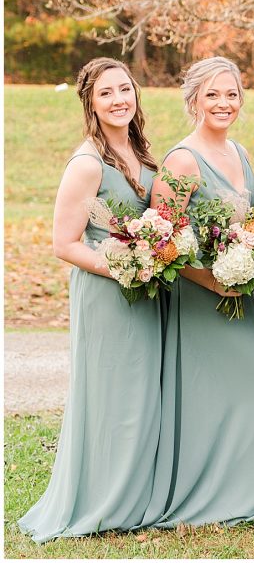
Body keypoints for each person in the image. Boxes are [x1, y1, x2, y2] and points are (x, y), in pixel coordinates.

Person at [18, 58, 162, 543]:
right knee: (111, 397)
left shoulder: (139, 152)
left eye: (125, 89)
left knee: (140, 397)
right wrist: (126, 268)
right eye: (107, 93)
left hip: (145, 291)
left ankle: (134, 495)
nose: (119, 99)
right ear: (91, 103)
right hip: (108, 292)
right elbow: (65, 244)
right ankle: (102, 501)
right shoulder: (87, 163)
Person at [142, 57, 254, 528]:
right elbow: (163, 240)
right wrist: (214, 279)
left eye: (232, 94)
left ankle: (243, 489)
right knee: (234, 390)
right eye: (213, 95)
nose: (224, 103)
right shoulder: (182, 159)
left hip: (239, 293)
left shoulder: (239, 153)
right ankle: (214, 496)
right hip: (202, 298)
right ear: (194, 99)